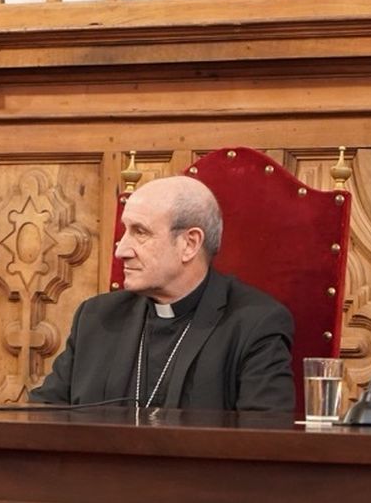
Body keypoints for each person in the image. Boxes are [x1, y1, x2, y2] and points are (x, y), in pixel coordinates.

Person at [30, 174, 294, 412]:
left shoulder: (255, 325)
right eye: (125, 231)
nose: (121, 250)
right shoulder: (97, 317)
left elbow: (262, 442)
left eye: (140, 232)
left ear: (189, 244)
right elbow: (44, 414)